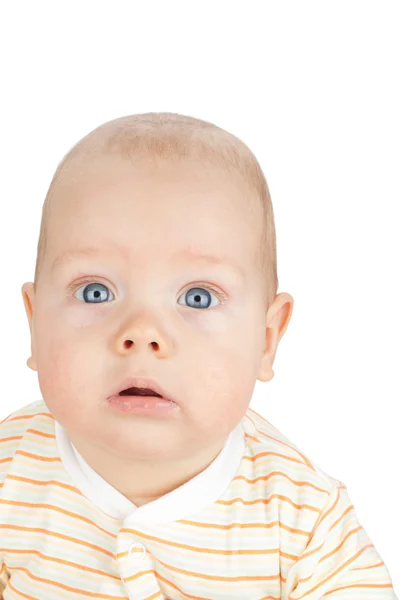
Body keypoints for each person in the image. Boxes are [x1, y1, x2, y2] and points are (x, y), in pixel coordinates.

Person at [0, 112, 396, 598]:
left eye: (197, 298)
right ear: (34, 323)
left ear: (266, 338)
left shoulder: (304, 519)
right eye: (96, 292)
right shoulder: (9, 471)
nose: (142, 334)